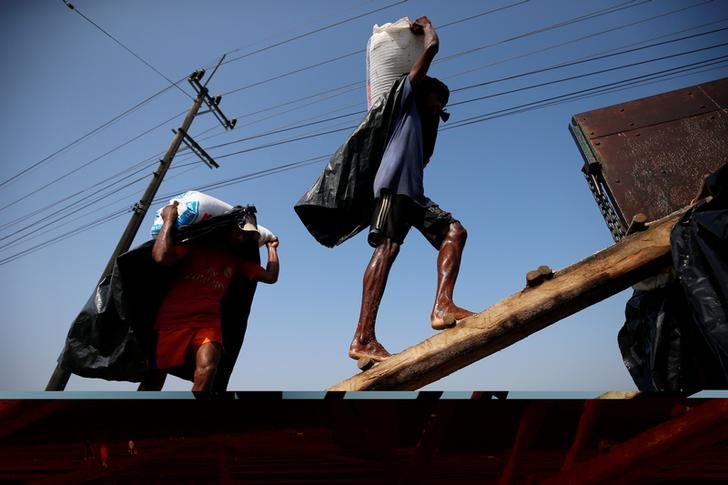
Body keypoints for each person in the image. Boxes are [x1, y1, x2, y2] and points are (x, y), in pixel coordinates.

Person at [349, 16, 474, 363]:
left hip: (412, 192)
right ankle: (362, 337)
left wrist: (434, 116)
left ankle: (442, 305)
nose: (440, 103)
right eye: (436, 97)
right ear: (422, 90)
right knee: (386, 250)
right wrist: (429, 28)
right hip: (392, 186)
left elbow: (427, 157)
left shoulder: (421, 123)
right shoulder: (401, 99)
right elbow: (431, 48)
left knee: (454, 232)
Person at [142, 201, 280, 392]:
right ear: (227, 226)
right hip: (172, 321)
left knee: (208, 370)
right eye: (239, 231)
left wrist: (272, 248)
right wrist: (169, 219)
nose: (241, 237)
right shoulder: (195, 246)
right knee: (153, 381)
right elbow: (161, 257)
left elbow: (270, 277)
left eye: (246, 234)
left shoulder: (236, 262)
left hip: (208, 323)